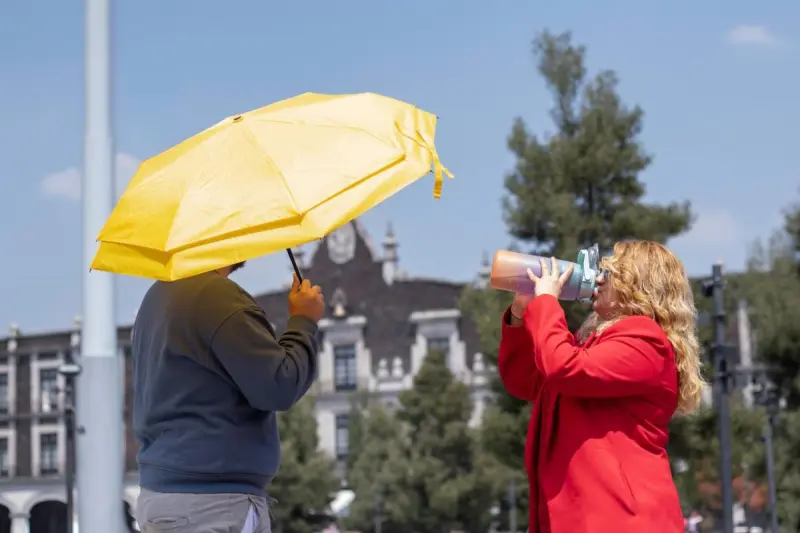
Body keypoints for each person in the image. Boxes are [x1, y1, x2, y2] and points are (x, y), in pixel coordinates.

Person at [498, 241, 704, 533]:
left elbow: (563, 367)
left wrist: (546, 302)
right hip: (583, 515)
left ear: (639, 285)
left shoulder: (646, 341)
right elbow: (526, 381)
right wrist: (521, 313)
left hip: (620, 518)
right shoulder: (593, 345)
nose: (598, 278)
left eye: (610, 272)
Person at [133, 261, 325, 533]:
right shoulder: (215, 296)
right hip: (212, 504)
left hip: (172, 495)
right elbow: (279, 386)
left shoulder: (157, 297)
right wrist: (304, 321)